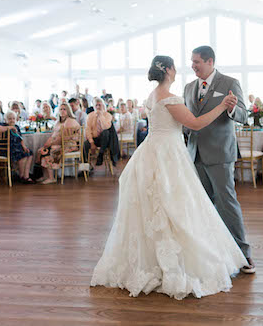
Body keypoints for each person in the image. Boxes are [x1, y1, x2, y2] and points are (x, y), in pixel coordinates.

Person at [91, 55, 247, 299]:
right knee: (176, 203)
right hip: (169, 154)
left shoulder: (153, 96)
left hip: (155, 151)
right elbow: (194, 124)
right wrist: (220, 106)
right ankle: (175, 261)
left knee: (161, 205)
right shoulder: (170, 97)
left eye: (196, 61)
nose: (187, 67)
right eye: (178, 65)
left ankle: (152, 257)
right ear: (169, 70)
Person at [183, 45, 254, 274]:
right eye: (192, 62)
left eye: (197, 62)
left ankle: (243, 254)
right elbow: (189, 120)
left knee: (227, 203)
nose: (193, 66)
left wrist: (233, 110)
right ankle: (212, 252)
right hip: (195, 154)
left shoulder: (229, 83)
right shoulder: (188, 88)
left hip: (221, 153)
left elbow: (243, 115)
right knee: (203, 205)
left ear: (210, 61)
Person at [38, 103, 81, 184]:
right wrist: (46, 144)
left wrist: (50, 144)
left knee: (48, 150)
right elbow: (53, 135)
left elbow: (63, 138)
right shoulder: (58, 121)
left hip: (69, 144)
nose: (62, 111)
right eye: (61, 109)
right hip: (60, 143)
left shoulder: (70, 121)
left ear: (68, 111)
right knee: (42, 150)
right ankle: (46, 175)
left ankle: (51, 177)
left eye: (64, 109)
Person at [0, 111, 35, 183]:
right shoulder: (3, 125)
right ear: (6, 119)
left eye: (13, 118)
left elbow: (20, 138)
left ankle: (26, 176)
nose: (12, 120)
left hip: (17, 148)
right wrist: (10, 127)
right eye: (10, 118)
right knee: (23, 155)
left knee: (29, 153)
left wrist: (24, 147)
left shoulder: (17, 127)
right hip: (6, 149)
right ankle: (21, 176)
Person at [83, 98, 120, 168]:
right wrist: (91, 142)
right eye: (96, 105)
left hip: (105, 140)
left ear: (103, 105)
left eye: (99, 105)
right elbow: (88, 130)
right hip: (95, 138)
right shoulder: (90, 116)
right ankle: (87, 167)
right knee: (85, 144)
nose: (98, 107)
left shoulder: (108, 115)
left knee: (105, 132)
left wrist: (101, 116)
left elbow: (105, 127)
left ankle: (101, 154)